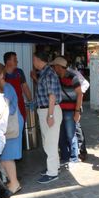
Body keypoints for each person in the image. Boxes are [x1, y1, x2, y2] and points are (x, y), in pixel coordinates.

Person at [0, 62, 24, 195]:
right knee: (4, 156)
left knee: (7, 157)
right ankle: (12, 181)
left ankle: (14, 184)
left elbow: (4, 108)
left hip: (11, 125)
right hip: (5, 125)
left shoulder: (6, 88)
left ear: (1, 75)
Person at [33, 51, 63, 182]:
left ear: (39, 60)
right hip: (46, 111)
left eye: (34, 59)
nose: (33, 62)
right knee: (49, 142)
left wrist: (50, 115)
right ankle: (55, 167)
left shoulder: (48, 74)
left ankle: (52, 173)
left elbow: (52, 96)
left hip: (50, 111)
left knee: (50, 143)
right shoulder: (45, 73)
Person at [50, 56, 83, 168]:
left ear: (59, 67)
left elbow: (80, 94)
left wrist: (77, 111)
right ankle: (65, 157)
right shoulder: (56, 78)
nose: (54, 68)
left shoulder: (72, 77)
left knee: (71, 135)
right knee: (61, 135)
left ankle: (74, 158)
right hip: (59, 111)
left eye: (55, 66)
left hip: (70, 111)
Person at [4, 52, 33, 123]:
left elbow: (25, 87)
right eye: (15, 60)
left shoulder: (19, 72)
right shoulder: (2, 73)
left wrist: (31, 100)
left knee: (21, 123)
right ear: (8, 61)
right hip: (7, 105)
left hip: (20, 103)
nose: (17, 61)